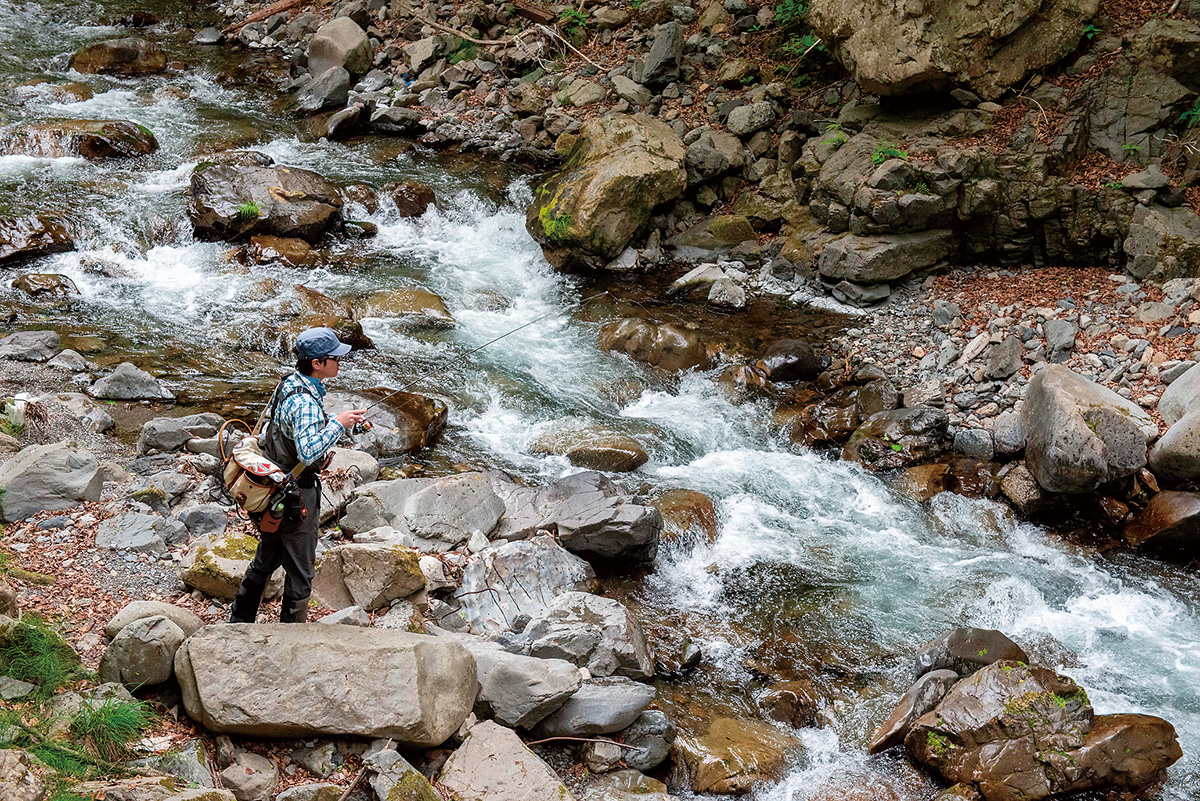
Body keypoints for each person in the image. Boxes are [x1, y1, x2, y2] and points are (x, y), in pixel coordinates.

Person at [229, 327, 367, 624]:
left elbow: (291, 431)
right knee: (302, 572)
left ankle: (238, 622)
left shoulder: (290, 384)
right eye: (334, 358)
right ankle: (292, 637)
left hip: (274, 488)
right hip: (296, 496)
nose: (340, 362)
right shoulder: (305, 402)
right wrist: (338, 425)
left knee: (268, 557)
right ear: (317, 363)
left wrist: (336, 420)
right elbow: (307, 453)